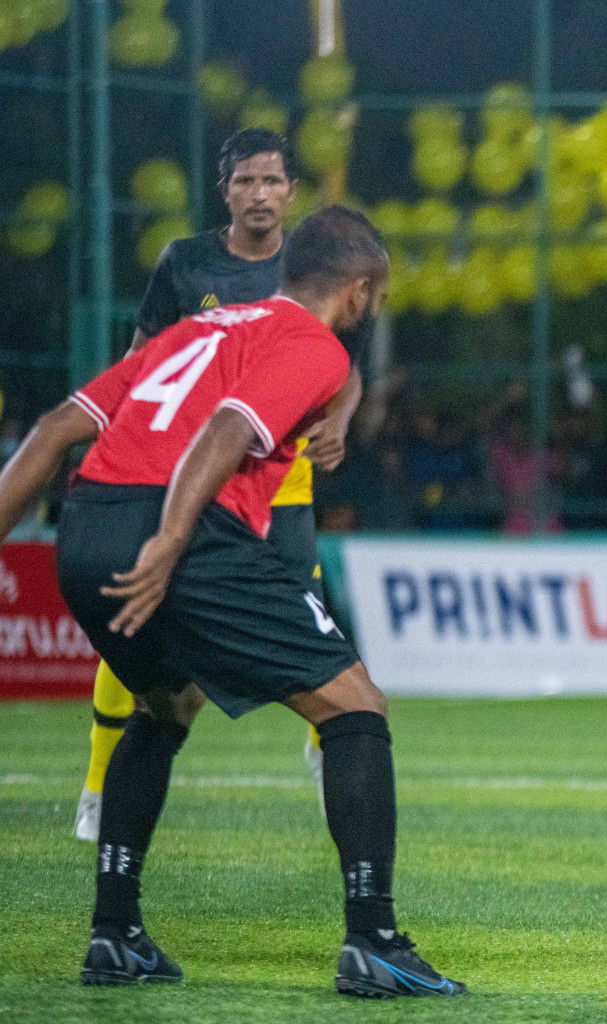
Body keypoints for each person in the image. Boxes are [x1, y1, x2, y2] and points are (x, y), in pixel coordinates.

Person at [0, 207, 462, 997]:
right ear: (357, 291)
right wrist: (171, 542)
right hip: (178, 533)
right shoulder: (314, 344)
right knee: (357, 709)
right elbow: (223, 431)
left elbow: (48, 433)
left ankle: (115, 934)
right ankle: (375, 940)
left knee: (165, 704)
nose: (372, 311)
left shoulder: (191, 332)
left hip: (86, 534)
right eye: (374, 297)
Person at [75, 128, 363, 841]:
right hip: (184, 482)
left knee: (315, 628)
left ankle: (337, 752)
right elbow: (144, 359)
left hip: (281, 485)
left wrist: (343, 420)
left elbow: (343, 368)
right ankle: (96, 784)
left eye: (272, 182)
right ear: (224, 190)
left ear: (292, 192)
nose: (259, 195)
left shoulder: (308, 267)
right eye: (245, 182)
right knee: (139, 632)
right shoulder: (185, 264)